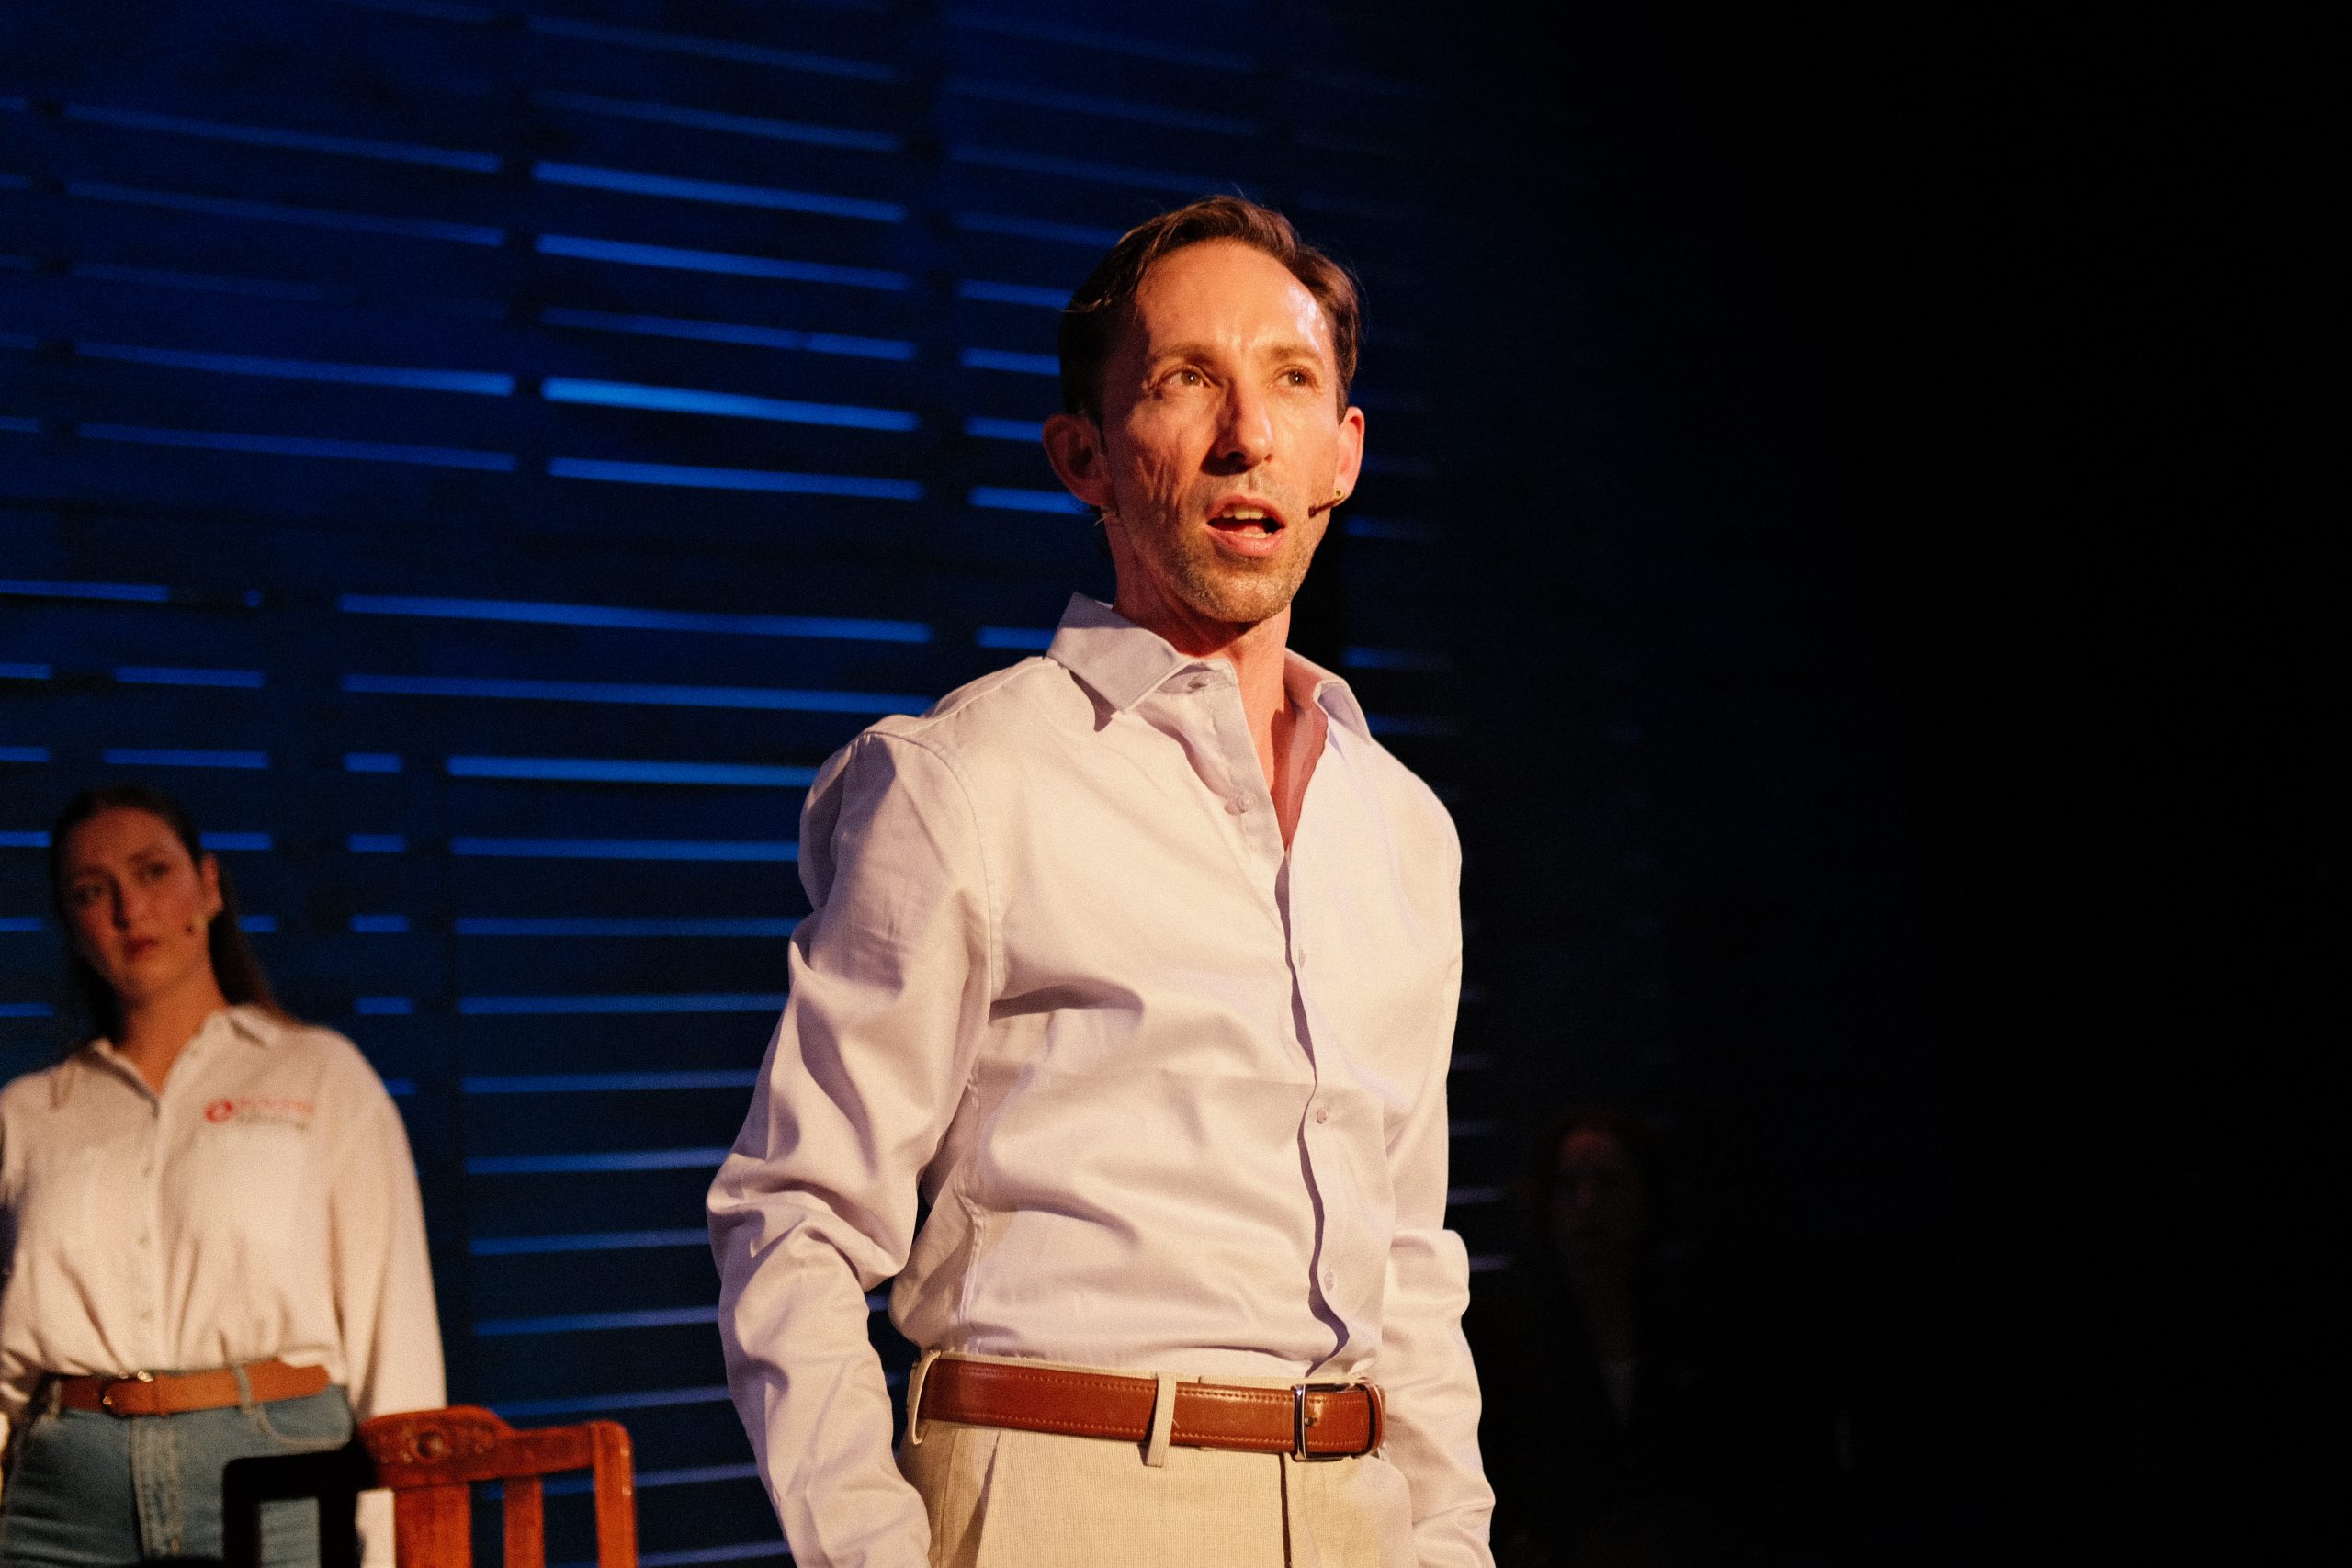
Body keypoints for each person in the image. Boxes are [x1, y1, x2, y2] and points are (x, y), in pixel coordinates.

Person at [708, 196, 1492, 1567]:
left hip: (1357, 1506)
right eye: (1187, 379)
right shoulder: (968, 779)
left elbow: (1412, 1261)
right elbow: (797, 1216)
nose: (1247, 433)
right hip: (1073, 1497)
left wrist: (1447, 1541)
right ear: (1085, 455)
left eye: (1290, 380)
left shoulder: (1403, 827)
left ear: (1343, 452)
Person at [0, 784, 444, 1568]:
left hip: (278, 1474)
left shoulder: (319, 1075)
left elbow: (396, 1340)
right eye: (92, 891)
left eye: (152, 872)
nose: (130, 909)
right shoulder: (29, 1113)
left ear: (208, 886)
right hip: (64, 1501)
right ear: (71, 925)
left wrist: (399, 1551)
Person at [1469, 1111, 1737, 1568]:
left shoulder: (1690, 1319)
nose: (1587, 1203)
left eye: (1609, 1183)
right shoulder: (1499, 1329)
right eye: (1567, 1185)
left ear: (1646, 1196)